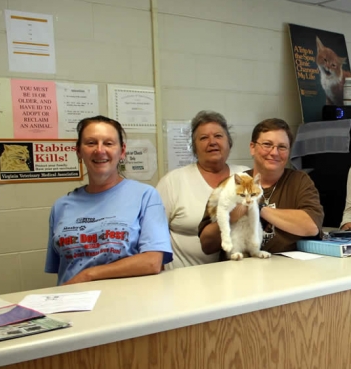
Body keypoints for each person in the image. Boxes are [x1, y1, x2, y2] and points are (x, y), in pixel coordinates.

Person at [45, 116, 172, 285]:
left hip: (128, 303)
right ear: (78, 151)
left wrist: (88, 275)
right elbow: (63, 268)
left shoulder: (145, 196)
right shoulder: (61, 206)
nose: (99, 150)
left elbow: (152, 262)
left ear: (122, 151)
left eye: (108, 143)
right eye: (91, 143)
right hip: (73, 304)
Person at [199, 118, 324, 255]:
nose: (274, 152)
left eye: (282, 147)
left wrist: (257, 208)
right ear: (252, 148)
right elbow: (206, 246)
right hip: (238, 269)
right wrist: (229, 218)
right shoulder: (232, 184)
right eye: (267, 144)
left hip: (286, 270)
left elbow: (311, 226)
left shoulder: (299, 181)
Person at [157, 111, 248, 269]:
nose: (212, 142)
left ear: (229, 143)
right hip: (185, 280)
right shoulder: (172, 181)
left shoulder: (246, 176)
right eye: (204, 138)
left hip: (240, 277)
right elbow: (153, 237)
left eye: (218, 136)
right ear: (194, 148)